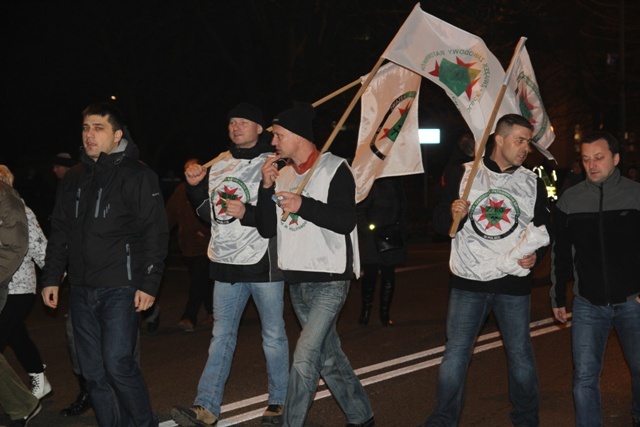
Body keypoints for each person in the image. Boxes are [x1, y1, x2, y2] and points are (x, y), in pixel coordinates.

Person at [41, 102, 168, 427]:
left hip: (120, 287)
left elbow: (154, 232)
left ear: (117, 135)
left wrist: (148, 283)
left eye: (98, 128)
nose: (89, 135)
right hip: (82, 289)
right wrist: (52, 276)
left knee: (117, 364)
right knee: (93, 373)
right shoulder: (73, 178)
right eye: (85, 128)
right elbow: (61, 231)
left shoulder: (139, 175)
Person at [421, 114, 551, 427]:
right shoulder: (463, 174)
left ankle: (526, 418)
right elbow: (439, 224)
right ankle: (443, 420)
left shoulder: (533, 182)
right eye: (519, 140)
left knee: (520, 354)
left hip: (512, 282)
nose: (525, 148)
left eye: (528, 142)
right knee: (456, 354)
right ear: (499, 138)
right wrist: (455, 215)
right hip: (468, 281)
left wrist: (536, 255)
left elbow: (545, 229)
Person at [256, 103, 374, 427]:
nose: (274, 143)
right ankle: (362, 416)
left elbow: (345, 220)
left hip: (330, 279)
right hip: (297, 281)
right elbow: (267, 229)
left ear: (297, 136)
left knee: (306, 357)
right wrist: (266, 186)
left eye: (278, 136)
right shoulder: (282, 174)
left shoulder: (335, 169)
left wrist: (302, 204)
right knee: (329, 358)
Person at [171, 103, 289, 427]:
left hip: (264, 261)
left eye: (243, 122)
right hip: (224, 262)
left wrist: (247, 213)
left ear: (259, 128)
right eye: (232, 122)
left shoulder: (276, 161)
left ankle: (279, 402)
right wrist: (195, 189)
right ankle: (206, 407)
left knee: (273, 335)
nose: (235, 127)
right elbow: (212, 215)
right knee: (220, 337)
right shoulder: (219, 164)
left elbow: (281, 215)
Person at [549, 131, 640, 427]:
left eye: (599, 158)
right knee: (584, 377)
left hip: (632, 302)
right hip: (588, 303)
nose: (592, 165)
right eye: (586, 159)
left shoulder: (635, 195)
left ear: (615, 158)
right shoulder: (570, 200)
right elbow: (560, 253)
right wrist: (558, 297)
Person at [0, 165, 51, 400]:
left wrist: (53, 280)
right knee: (16, 335)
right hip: (3, 285)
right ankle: (39, 378)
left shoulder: (21, 210)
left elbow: (41, 247)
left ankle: (20, 403)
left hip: (18, 287)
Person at [165, 158, 213, 332]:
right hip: (186, 246)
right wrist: (161, 235)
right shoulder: (179, 191)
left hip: (204, 246)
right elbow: (170, 215)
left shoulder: (210, 188)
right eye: (187, 169)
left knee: (198, 282)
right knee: (201, 281)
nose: (190, 171)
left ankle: (189, 317)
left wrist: (206, 233)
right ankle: (212, 311)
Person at [356, 176, 407, 326]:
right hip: (373, 238)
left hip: (391, 237)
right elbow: (359, 210)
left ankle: (384, 314)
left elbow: (403, 212)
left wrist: (402, 234)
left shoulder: (398, 185)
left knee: (389, 276)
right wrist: (368, 230)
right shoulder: (373, 184)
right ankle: (365, 311)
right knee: (370, 276)